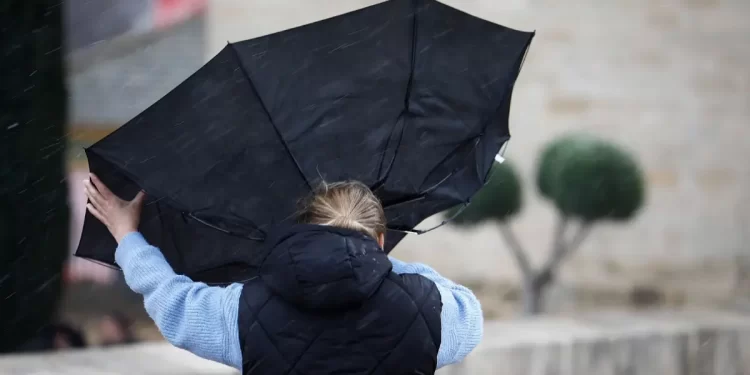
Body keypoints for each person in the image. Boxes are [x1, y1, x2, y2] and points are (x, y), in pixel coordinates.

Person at [83, 174, 483, 374]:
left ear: (305, 229)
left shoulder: (244, 308)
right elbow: (470, 314)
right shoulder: (428, 308)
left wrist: (126, 234)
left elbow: (174, 305)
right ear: (379, 239)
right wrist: (383, 264)